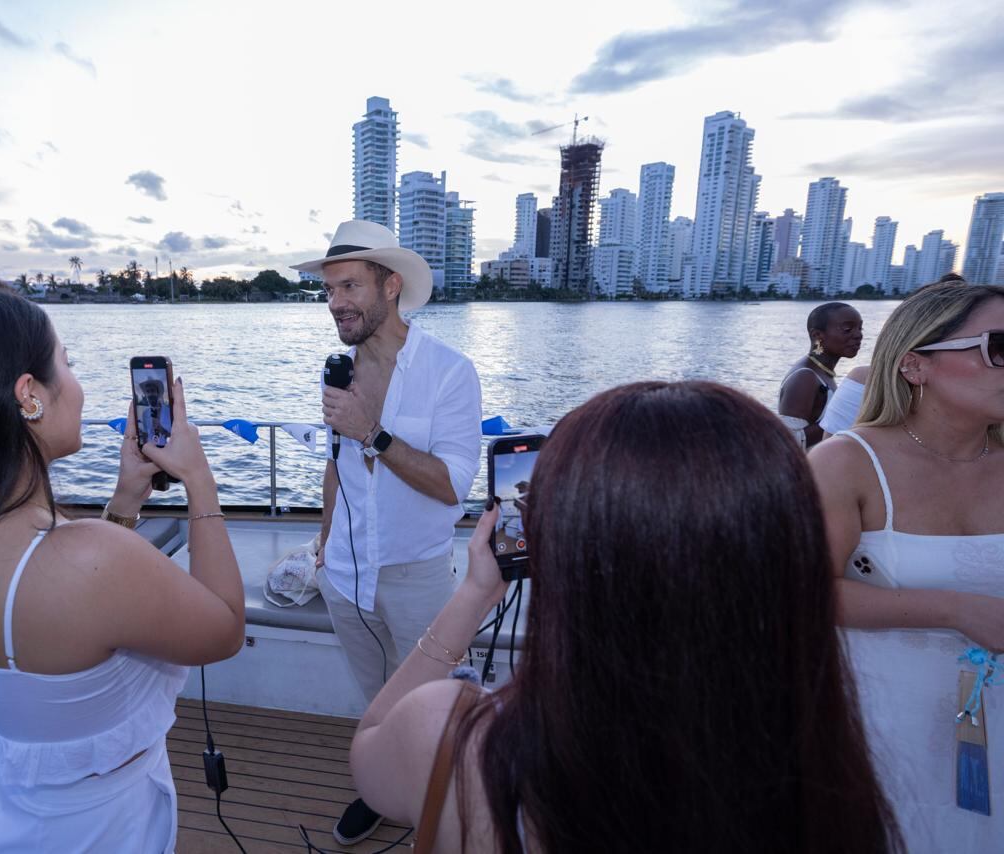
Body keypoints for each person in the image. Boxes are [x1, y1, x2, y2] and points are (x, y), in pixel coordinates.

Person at [352, 381, 902, 853]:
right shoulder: (825, 772)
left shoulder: (451, 733)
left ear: (564, 547)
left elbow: (371, 750)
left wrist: (474, 593)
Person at [0, 277, 245, 853]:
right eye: (66, 364)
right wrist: (199, 479)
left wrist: (125, 500)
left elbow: (65, 607)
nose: (77, 384)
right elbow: (225, 629)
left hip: (0, 818)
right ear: (29, 395)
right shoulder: (89, 558)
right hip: (102, 830)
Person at [292, 220, 483, 845]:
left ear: (391, 286)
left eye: (349, 286)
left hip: (416, 576)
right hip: (346, 575)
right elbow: (336, 465)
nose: (335, 302)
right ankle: (380, 788)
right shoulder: (338, 371)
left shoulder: (450, 372)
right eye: (329, 290)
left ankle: (445, 810)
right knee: (378, 703)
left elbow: (453, 485)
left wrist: (372, 432)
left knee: (435, 708)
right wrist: (324, 543)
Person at [810, 281, 1004, 850]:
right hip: (885, 728)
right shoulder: (845, 463)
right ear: (916, 365)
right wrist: (953, 610)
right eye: (999, 346)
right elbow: (805, 592)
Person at [778, 302, 864, 448]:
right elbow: (786, 443)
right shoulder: (805, 378)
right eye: (848, 329)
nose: (858, 335)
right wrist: (844, 415)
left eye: (860, 328)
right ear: (817, 335)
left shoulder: (822, 372)